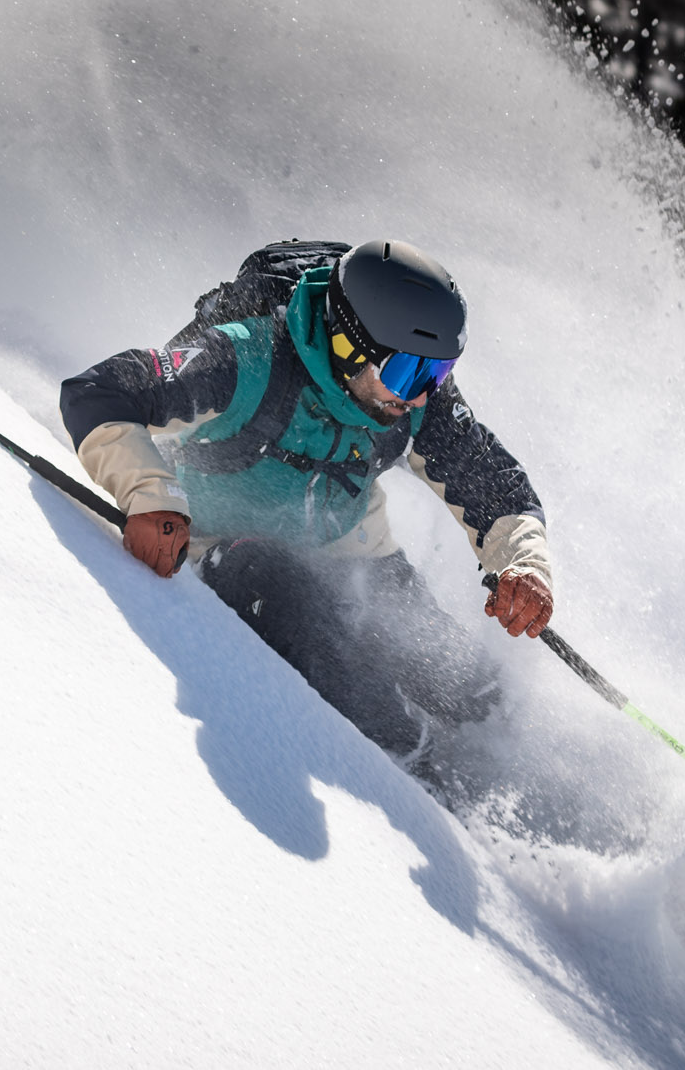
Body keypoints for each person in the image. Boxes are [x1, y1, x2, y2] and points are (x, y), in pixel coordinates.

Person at [59, 239, 554, 768]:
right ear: (350, 345)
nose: (420, 397)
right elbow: (100, 391)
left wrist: (523, 565)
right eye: (410, 373)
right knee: (319, 637)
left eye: (437, 373)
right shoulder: (247, 357)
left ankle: (498, 756)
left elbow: (496, 485)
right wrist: (150, 496)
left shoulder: (410, 398)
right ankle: (418, 775)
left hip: (350, 552)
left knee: (464, 684)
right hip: (231, 549)